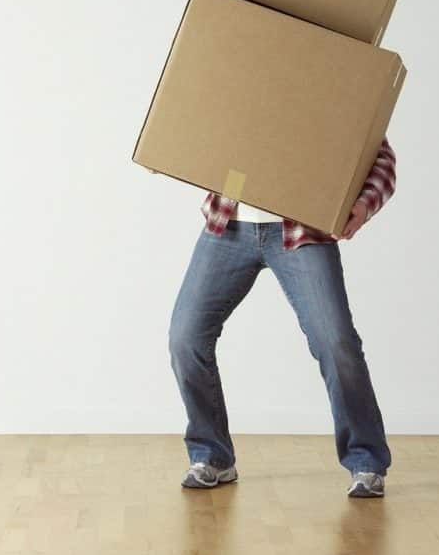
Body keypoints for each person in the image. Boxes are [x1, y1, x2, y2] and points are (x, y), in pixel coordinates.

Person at [167, 137, 397, 498]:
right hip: (228, 225)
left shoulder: (336, 86)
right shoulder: (234, 81)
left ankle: (366, 460)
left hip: (302, 229)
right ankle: (212, 455)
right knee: (185, 338)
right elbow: (198, 124)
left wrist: (364, 206)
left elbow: (380, 157)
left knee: (335, 341)